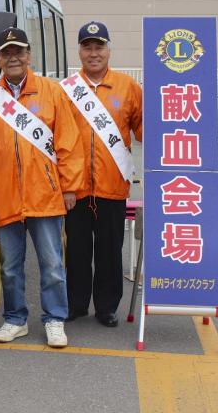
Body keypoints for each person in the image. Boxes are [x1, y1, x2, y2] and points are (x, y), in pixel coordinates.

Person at [0, 27, 84, 348]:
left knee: (53, 265)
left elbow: (69, 143)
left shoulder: (52, 92)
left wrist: (70, 186)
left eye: (19, 51)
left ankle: (55, 318)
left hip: (46, 195)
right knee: (10, 266)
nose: (13, 58)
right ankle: (15, 319)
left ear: (29, 56)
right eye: (6, 53)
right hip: (5, 198)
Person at [63, 21, 142, 327]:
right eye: (87, 46)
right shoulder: (67, 91)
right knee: (77, 251)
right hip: (76, 187)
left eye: (99, 46)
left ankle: (107, 307)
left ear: (109, 49)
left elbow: (142, 131)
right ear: (80, 50)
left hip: (112, 186)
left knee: (110, 251)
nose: (93, 53)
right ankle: (76, 304)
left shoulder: (128, 87)